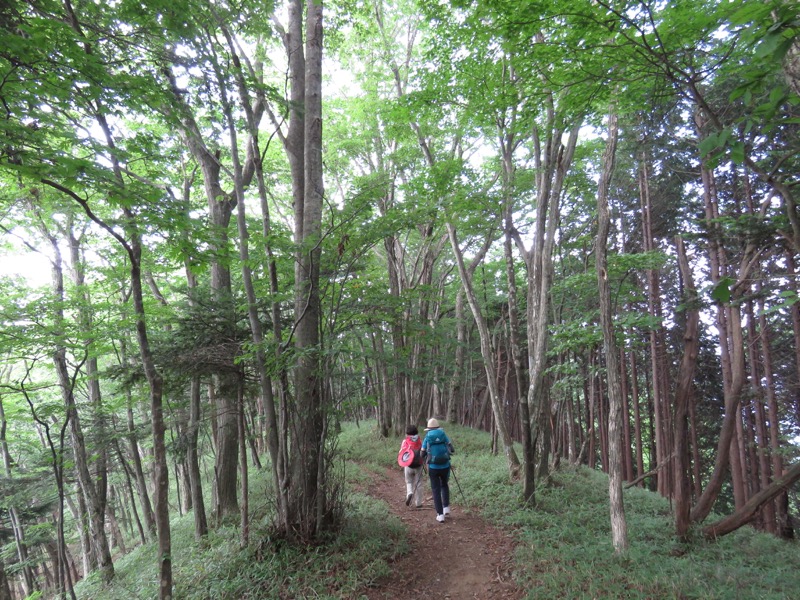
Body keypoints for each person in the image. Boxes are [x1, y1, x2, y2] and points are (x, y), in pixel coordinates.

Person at [421, 418, 453, 523]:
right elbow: (451, 449)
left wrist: (425, 456)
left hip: (433, 467)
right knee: (444, 485)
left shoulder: (427, 437)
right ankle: (446, 508)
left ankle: (440, 515)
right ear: (438, 427)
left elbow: (422, 453)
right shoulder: (443, 435)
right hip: (445, 466)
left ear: (429, 428)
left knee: (435, 489)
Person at [398, 424, 424, 508]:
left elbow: (401, 453)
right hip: (419, 466)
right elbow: (424, 452)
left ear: (407, 433)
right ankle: (418, 503)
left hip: (408, 465)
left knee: (409, 481)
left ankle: (409, 493)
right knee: (419, 483)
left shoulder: (405, 441)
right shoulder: (420, 441)